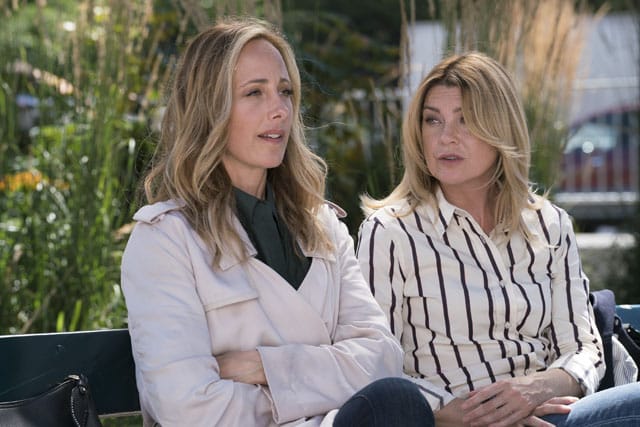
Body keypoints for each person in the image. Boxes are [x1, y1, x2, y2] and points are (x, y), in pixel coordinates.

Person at [120, 17, 434, 427]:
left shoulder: (321, 225)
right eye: (255, 92)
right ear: (208, 109)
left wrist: (263, 367)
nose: (280, 109)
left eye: (285, 91)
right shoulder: (166, 240)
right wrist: (315, 394)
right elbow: (188, 409)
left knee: (397, 400)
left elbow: (382, 360)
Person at [357, 51, 640, 427]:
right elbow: (376, 366)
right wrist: (466, 413)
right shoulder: (391, 233)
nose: (446, 137)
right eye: (432, 120)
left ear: (501, 129)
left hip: (555, 416)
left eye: (465, 120)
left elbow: (584, 347)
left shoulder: (550, 224)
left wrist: (536, 390)